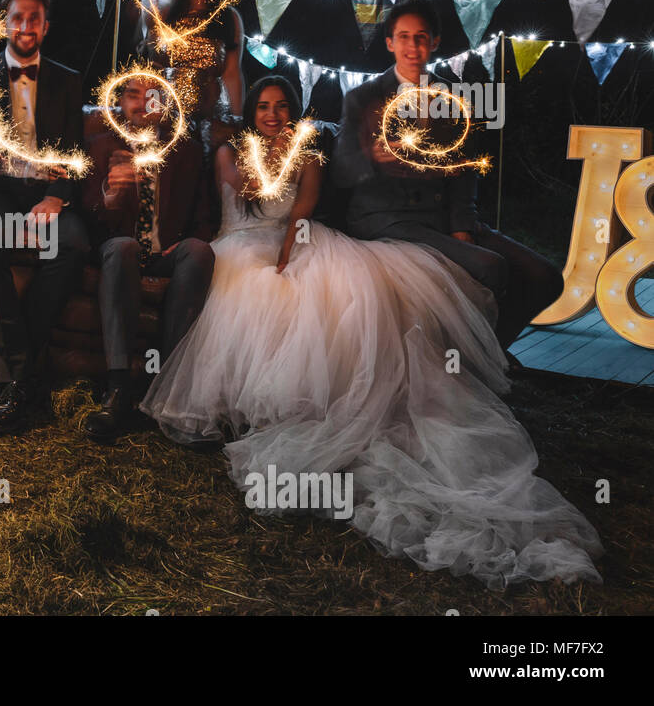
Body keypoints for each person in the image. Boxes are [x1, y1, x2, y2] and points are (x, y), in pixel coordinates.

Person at [140, 75, 602, 588]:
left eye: (281, 106)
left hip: (291, 238)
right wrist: (253, 149)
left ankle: (335, 404)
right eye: (264, 107)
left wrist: (289, 254)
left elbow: (302, 210)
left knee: (333, 292)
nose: (272, 115)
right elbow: (246, 190)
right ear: (252, 113)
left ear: (294, 110)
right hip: (239, 242)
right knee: (252, 295)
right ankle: (246, 404)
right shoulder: (231, 152)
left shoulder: (309, 151)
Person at [334, 0, 564, 352]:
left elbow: (465, 171)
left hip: (444, 217)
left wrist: (463, 225)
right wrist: (371, 157)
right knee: (490, 267)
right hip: (387, 219)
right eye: (404, 37)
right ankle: (473, 359)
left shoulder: (454, 98)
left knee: (545, 277)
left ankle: (491, 352)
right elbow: (340, 172)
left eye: (421, 37)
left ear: (435, 42)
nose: (413, 47)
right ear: (390, 43)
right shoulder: (362, 98)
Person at [0, 0, 90, 434]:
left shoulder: (68, 81)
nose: (25, 25)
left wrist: (55, 197)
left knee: (73, 243)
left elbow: (74, 151)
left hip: (45, 191)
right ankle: (20, 375)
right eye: (17, 17)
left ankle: (8, 370)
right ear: (5, 22)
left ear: (45, 26)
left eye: (35, 18)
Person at [80, 76, 215, 443]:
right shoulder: (101, 145)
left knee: (199, 251)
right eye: (132, 95)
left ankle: (168, 386)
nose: (142, 103)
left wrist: (187, 241)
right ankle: (118, 388)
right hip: (119, 249)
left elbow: (204, 217)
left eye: (151, 95)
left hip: (166, 253)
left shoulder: (184, 150)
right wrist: (110, 195)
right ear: (120, 103)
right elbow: (88, 215)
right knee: (122, 246)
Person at [138, 0, 244, 126]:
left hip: (211, 118)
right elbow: (153, 70)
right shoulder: (164, 14)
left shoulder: (228, 17)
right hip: (168, 117)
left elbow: (232, 74)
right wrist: (151, 115)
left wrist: (237, 120)